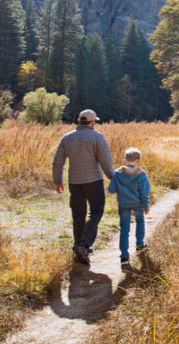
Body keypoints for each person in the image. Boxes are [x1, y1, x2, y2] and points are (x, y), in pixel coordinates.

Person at [53, 109, 113, 266]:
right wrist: (114, 178)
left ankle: (79, 245)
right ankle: (84, 244)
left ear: (79, 121)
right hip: (93, 181)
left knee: (78, 214)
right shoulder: (97, 137)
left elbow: (57, 162)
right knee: (96, 211)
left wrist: (57, 180)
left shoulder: (67, 138)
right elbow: (105, 161)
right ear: (92, 122)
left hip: (74, 181)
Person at [109, 147, 151, 264]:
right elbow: (144, 192)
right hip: (137, 204)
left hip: (123, 204)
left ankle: (124, 255)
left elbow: (111, 189)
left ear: (125, 160)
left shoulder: (117, 174)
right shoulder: (141, 175)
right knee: (140, 221)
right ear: (138, 161)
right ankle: (139, 244)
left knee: (124, 228)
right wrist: (146, 206)